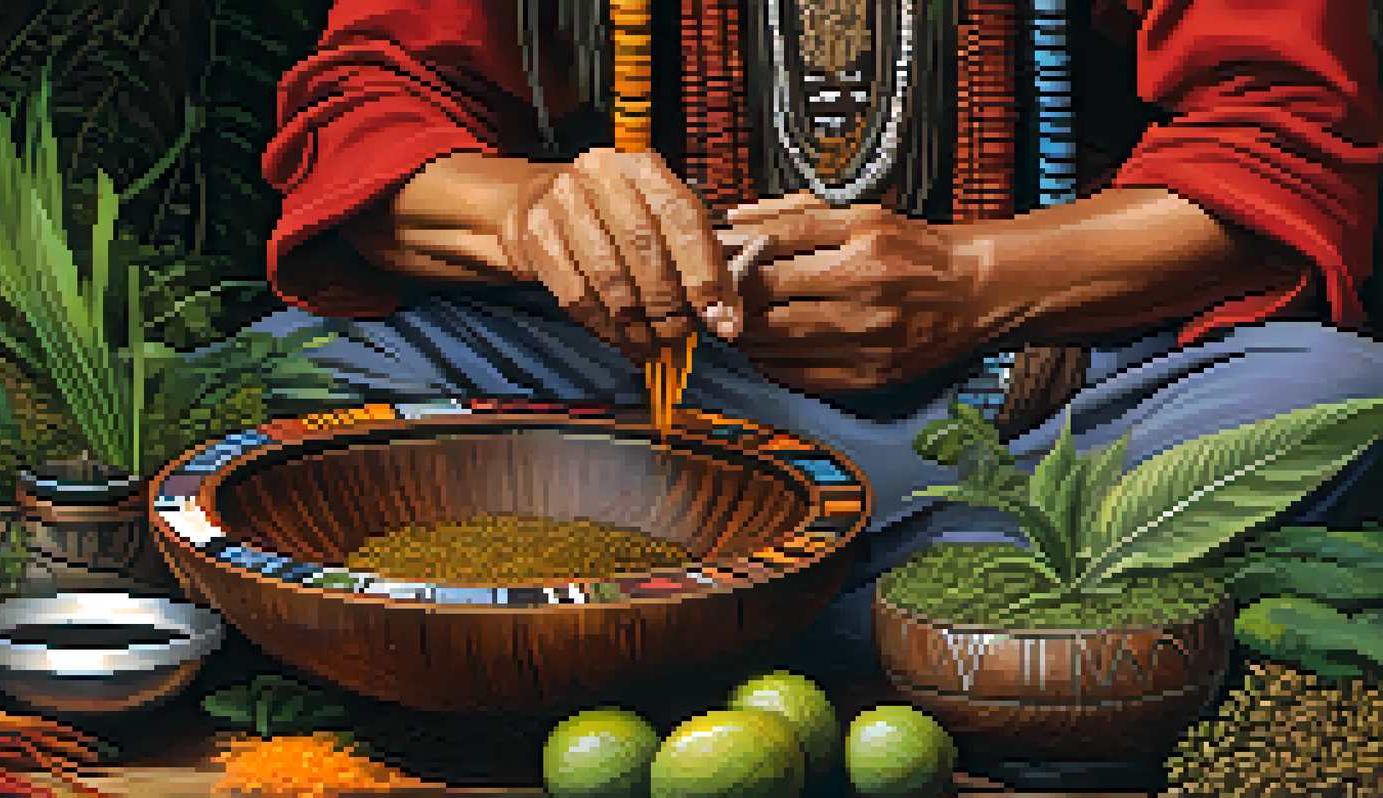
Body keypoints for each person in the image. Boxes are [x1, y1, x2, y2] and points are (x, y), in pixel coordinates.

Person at [223, 0, 1383, 679]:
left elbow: (1284, 135)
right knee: (279, 381)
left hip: (1043, 400)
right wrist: (537, 218)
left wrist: (974, 279)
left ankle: (633, 621)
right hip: (647, 388)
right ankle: (970, 624)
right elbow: (369, 106)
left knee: (1337, 395)